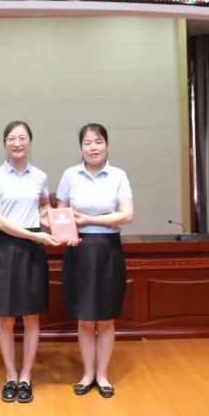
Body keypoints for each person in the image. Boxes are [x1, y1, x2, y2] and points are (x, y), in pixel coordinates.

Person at [0, 120, 61, 404]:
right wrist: (36, 235)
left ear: (30, 142)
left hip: (32, 251)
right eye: (12, 138)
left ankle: (26, 376)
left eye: (22, 138)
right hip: (6, 248)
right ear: (5, 143)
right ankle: (10, 375)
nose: (17, 143)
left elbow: (43, 207)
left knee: (31, 316)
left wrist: (57, 222)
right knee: (6, 316)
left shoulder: (40, 176)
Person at [55, 123, 134, 399]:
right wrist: (67, 233)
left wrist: (90, 219)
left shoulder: (118, 175)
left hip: (108, 249)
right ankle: (88, 373)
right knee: (86, 318)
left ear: (107, 145)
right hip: (79, 249)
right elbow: (61, 215)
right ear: (81, 147)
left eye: (98, 142)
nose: (93, 147)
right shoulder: (70, 175)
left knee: (106, 317)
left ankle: (103, 374)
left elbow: (127, 215)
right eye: (88, 143)